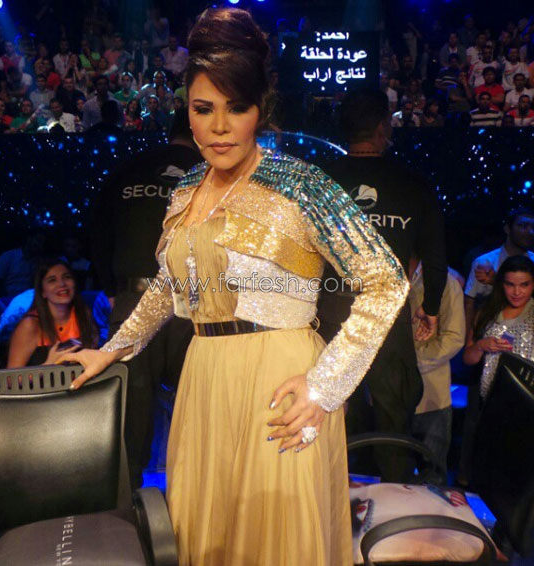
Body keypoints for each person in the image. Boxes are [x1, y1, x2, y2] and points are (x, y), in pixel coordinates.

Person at [59, 8, 408, 566]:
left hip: (280, 384)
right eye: (204, 109)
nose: (219, 126)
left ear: (259, 111)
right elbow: (168, 286)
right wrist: (113, 349)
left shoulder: (301, 184)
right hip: (204, 377)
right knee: (207, 534)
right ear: (188, 113)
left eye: (236, 107)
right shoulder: (186, 190)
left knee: (276, 542)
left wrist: (326, 385)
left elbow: (386, 281)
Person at [321, 88, 447, 482]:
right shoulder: (412, 184)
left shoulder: (320, 180)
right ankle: (394, 503)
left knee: (329, 418)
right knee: (393, 421)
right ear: (382, 127)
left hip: (329, 317)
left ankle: (330, 505)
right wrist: (430, 308)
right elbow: (436, 258)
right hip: (387, 320)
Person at [91, 107, 201, 489]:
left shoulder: (129, 169)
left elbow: (98, 232)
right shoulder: (210, 172)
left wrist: (111, 288)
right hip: (194, 306)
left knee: (130, 423)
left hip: (132, 299)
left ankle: (127, 510)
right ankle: (196, 507)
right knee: (199, 414)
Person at [409, 258, 465, 484]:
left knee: (432, 475)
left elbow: (454, 337)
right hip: (385, 391)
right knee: (387, 472)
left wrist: (410, 362)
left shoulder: (444, 282)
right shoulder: (378, 275)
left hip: (431, 395)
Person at [463, 255, 534, 400]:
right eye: (510, 284)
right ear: (501, 284)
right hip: (490, 400)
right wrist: (480, 346)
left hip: (527, 401)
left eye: (524, 285)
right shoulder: (486, 311)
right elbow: (467, 358)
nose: (517, 292)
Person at [7, 258, 97, 368]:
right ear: (43, 292)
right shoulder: (30, 325)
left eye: (67, 277)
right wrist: (48, 366)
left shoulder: (84, 314)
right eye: (52, 280)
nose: (62, 284)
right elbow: (11, 377)